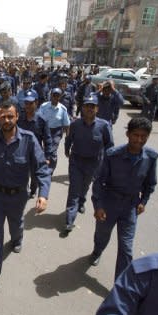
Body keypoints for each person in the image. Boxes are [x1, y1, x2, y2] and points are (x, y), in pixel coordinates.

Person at [0, 100, 51, 294]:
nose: (6, 120)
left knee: (16, 225)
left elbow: (42, 169)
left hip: (18, 195)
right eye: (2, 116)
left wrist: (43, 195)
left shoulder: (29, 140)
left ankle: (17, 239)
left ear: (17, 117)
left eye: (10, 116)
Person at [89, 117, 158, 279]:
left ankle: (120, 285)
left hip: (130, 207)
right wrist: (98, 206)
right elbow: (99, 182)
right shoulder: (112, 155)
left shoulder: (150, 158)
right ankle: (97, 251)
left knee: (126, 248)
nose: (139, 139)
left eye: (143, 136)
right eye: (135, 135)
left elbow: (150, 183)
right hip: (109, 203)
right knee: (102, 235)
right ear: (128, 134)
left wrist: (144, 201)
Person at [63, 95, 114, 233]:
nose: (89, 109)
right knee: (74, 188)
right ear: (83, 108)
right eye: (87, 106)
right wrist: (66, 150)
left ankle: (82, 201)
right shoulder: (75, 124)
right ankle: (69, 219)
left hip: (94, 162)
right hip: (76, 161)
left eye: (93, 106)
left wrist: (108, 164)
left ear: (97, 109)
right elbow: (68, 140)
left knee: (85, 185)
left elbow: (110, 145)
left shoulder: (103, 126)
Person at [16, 90, 54, 197]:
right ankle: (23, 191)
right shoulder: (19, 118)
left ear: (36, 102)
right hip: (21, 153)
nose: (27, 106)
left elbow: (47, 140)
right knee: (22, 175)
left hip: (35, 154)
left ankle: (33, 190)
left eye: (30, 103)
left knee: (34, 176)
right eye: (26, 103)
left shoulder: (42, 119)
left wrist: (47, 157)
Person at [39, 87, 71, 174]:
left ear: (60, 97)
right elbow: (38, 119)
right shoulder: (43, 106)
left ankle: (50, 170)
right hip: (45, 130)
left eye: (58, 96)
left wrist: (67, 138)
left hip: (56, 132)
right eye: (54, 95)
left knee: (52, 151)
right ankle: (42, 166)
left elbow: (67, 124)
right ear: (51, 96)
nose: (55, 98)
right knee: (44, 149)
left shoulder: (63, 109)